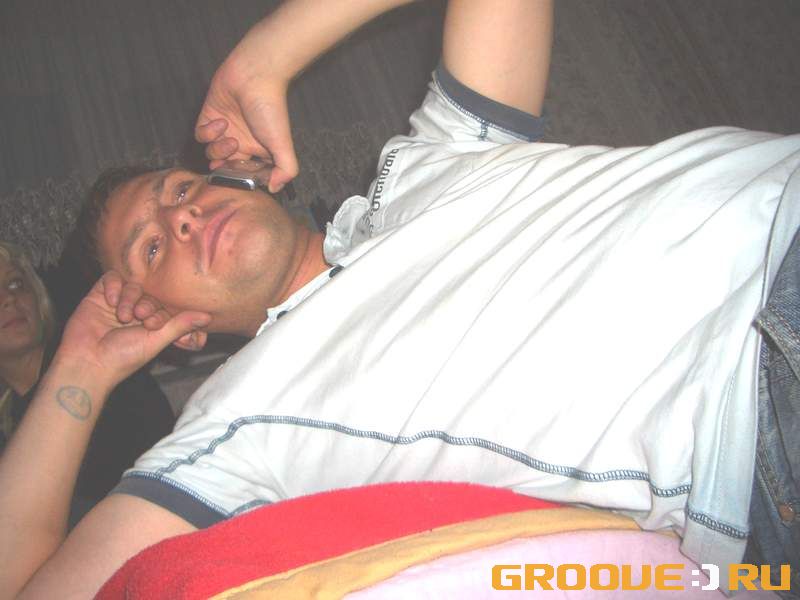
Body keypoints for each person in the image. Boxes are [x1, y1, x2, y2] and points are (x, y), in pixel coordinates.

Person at [1, 0, 798, 597]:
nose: (181, 216)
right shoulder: (234, 426)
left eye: (179, 190)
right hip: (759, 401)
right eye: (151, 247)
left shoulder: (432, 159)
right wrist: (81, 362)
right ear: (172, 327)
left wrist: (267, 55)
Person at [0, 241, 177, 521]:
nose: (8, 299)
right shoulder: (8, 422)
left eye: (15, 284)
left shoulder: (105, 366)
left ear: (36, 294)